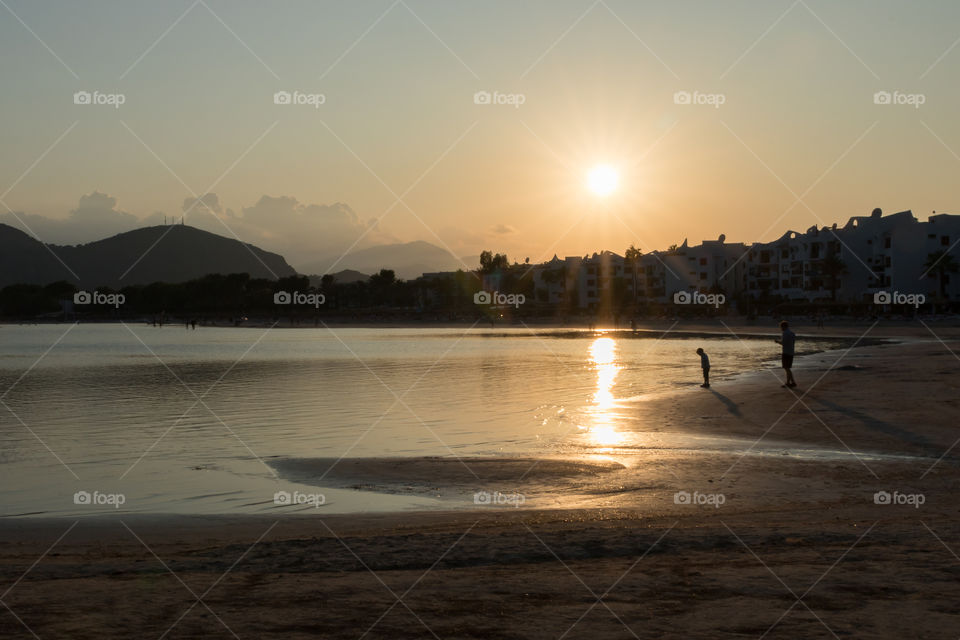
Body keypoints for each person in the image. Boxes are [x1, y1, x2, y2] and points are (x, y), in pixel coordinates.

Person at [775, 320, 797, 388]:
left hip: (786, 352)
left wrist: (777, 342)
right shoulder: (792, 333)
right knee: (788, 368)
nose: (780, 328)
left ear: (783, 326)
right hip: (791, 352)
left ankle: (788, 383)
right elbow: (793, 343)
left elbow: (783, 343)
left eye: (781, 327)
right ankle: (793, 382)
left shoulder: (785, 333)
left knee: (786, 368)